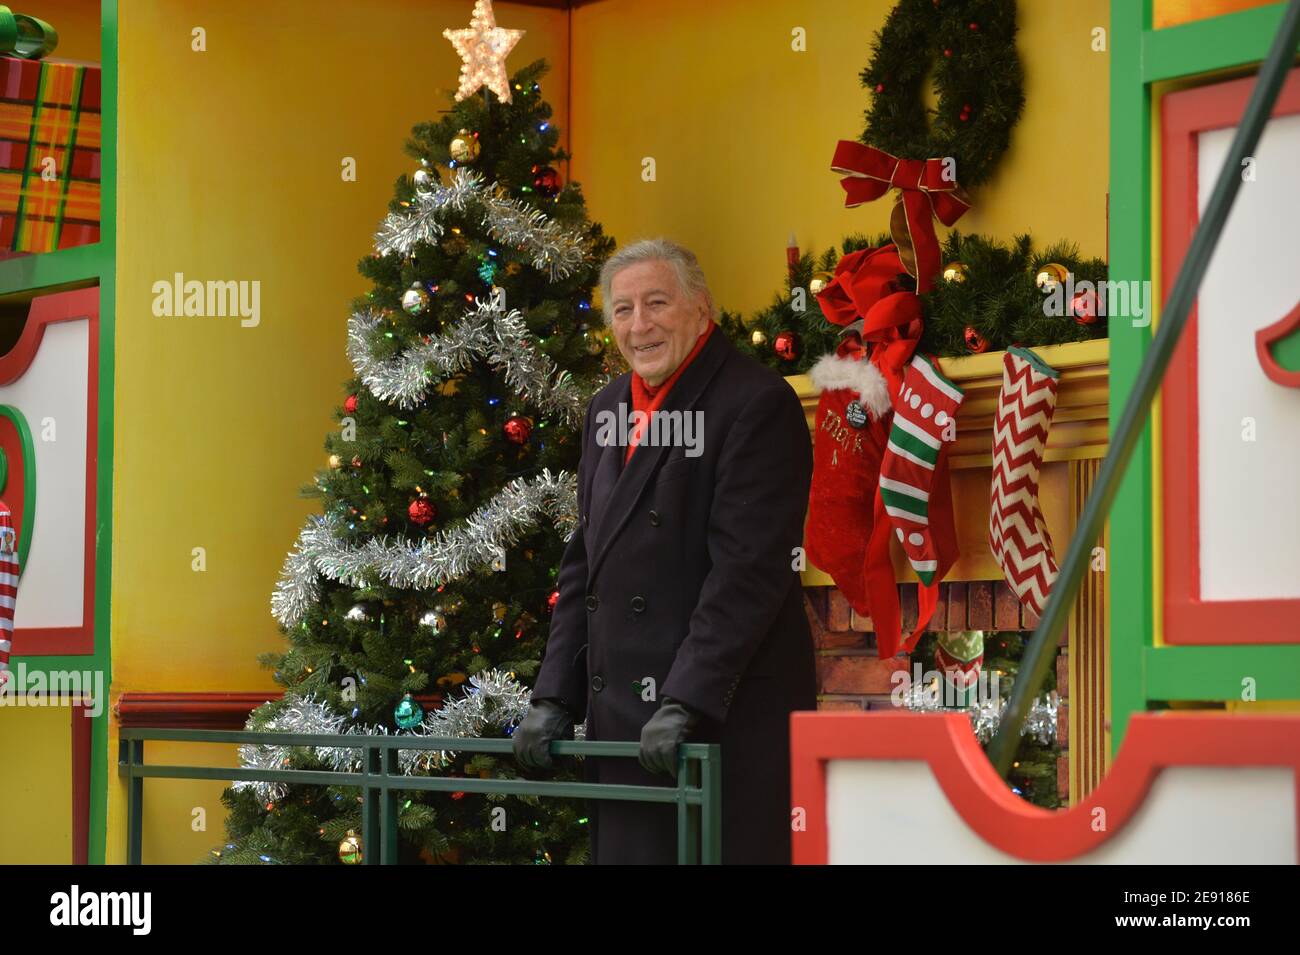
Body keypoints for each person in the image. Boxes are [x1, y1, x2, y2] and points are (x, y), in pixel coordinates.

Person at [513, 238, 815, 864]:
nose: (638, 324)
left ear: (701, 308)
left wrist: (687, 700)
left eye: (656, 303)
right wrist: (554, 695)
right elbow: (584, 566)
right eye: (622, 310)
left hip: (720, 724)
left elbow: (749, 573)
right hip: (622, 725)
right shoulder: (606, 409)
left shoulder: (756, 403)